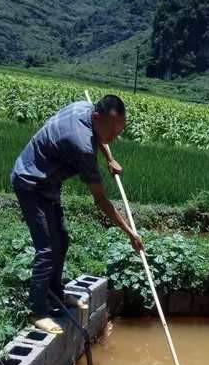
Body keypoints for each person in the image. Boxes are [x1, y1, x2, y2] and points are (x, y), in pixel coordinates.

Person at [11, 94, 143, 334]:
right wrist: (130, 232)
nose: (114, 137)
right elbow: (101, 200)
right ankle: (37, 310)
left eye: (119, 131)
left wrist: (110, 158)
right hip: (31, 182)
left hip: (48, 183)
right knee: (47, 249)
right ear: (96, 117)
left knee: (61, 239)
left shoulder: (85, 109)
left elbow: (100, 136)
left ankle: (54, 294)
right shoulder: (81, 144)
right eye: (112, 131)